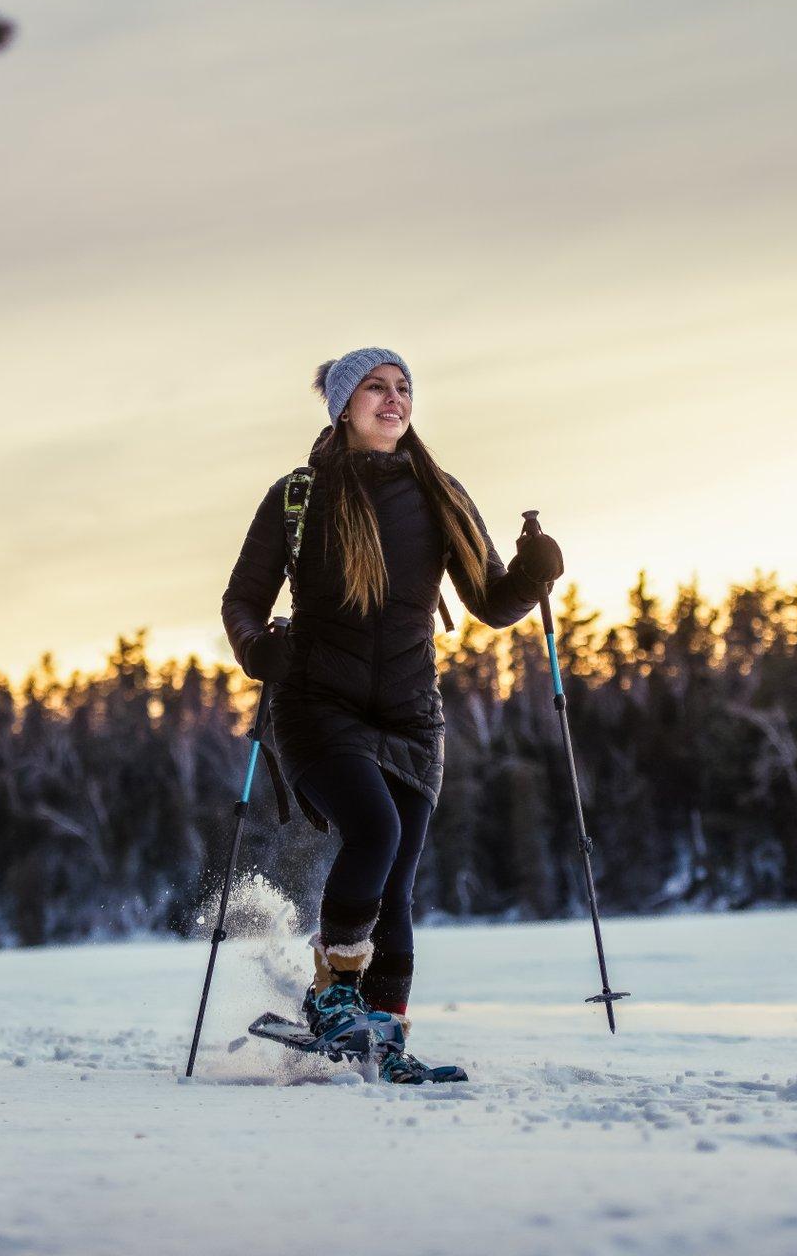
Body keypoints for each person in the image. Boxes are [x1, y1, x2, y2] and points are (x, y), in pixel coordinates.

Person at [221, 347, 565, 1082]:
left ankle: (385, 1034)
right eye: (375, 387)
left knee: (398, 880)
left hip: (412, 714)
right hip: (316, 701)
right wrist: (259, 652)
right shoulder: (299, 494)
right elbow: (242, 601)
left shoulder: (439, 493)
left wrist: (535, 575)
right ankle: (333, 993)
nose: (394, 398)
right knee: (372, 831)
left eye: (403, 387)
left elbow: (492, 604)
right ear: (343, 406)